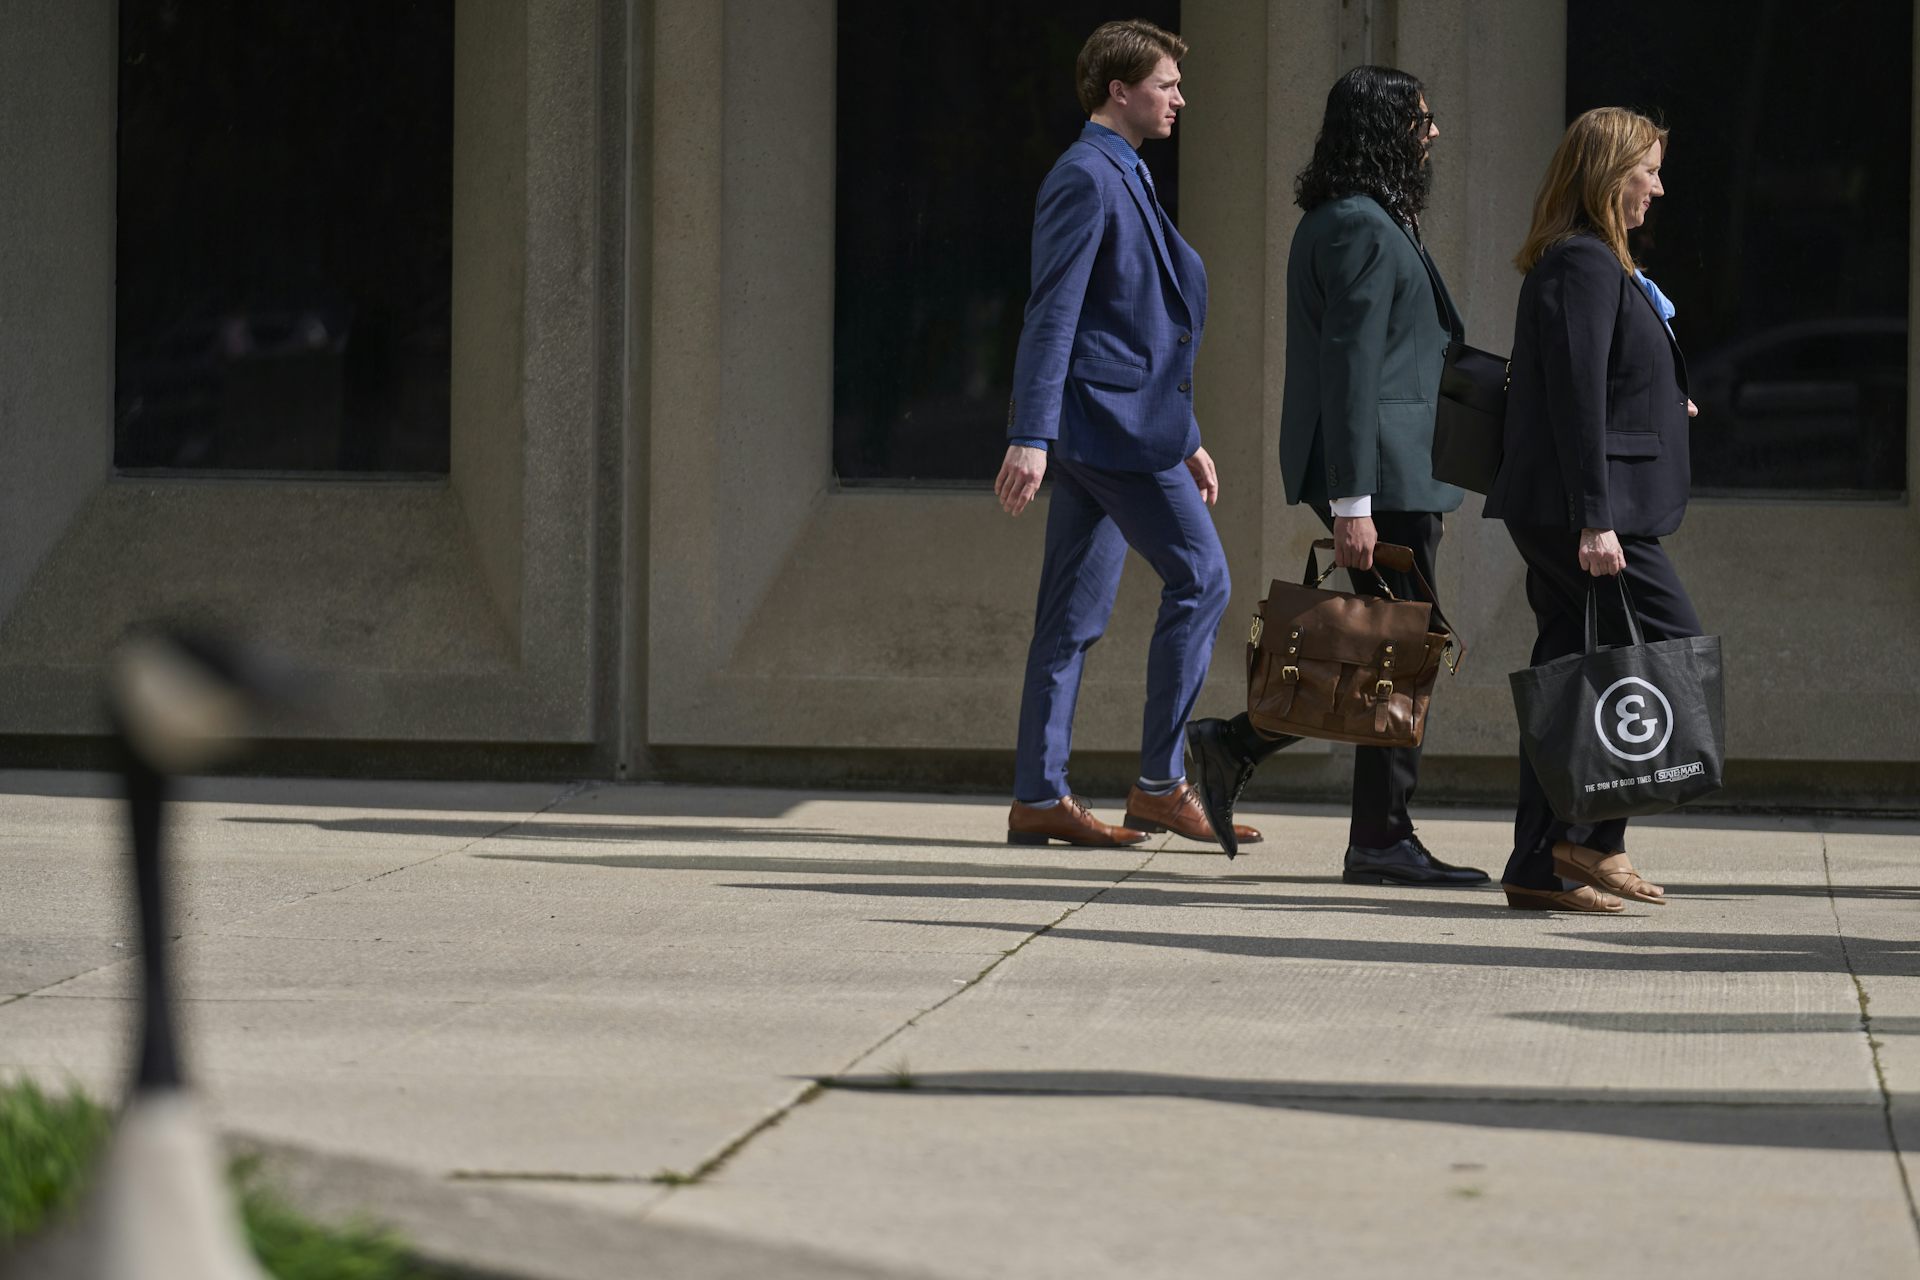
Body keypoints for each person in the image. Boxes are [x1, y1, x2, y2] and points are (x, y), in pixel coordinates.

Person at [1183, 66, 1487, 885]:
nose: (1432, 134)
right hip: (1380, 477)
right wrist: (1357, 502)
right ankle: (1377, 836)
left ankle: (1243, 748)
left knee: (1378, 650)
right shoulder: (1358, 225)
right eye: (1421, 121)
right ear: (1385, 127)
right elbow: (1351, 370)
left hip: (1399, 474)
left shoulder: (1367, 217)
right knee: (1398, 653)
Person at [997, 19, 1256, 850]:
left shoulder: (1125, 172)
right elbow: (1055, 312)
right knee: (1203, 578)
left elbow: (1136, 324)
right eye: (1166, 84)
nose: (1179, 97)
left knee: (1070, 616)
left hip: (1124, 425)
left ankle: (1039, 795)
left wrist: (1186, 433)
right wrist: (1029, 433)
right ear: (1120, 89)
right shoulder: (1086, 176)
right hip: (1107, 430)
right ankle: (1160, 783)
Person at [1483, 107, 1700, 912]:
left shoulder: (1596, 263)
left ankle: (1540, 864)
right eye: (1647, 170)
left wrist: (1666, 399)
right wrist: (1594, 518)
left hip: (1580, 504)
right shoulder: (1583, 263)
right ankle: (1591, 840)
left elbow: (1603, 382)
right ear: (1610, 176)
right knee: (1664, 649)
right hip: (1584, 511)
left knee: (1571, 672)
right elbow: (1575, 398)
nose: (1658, 186)